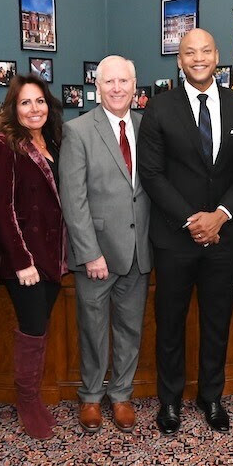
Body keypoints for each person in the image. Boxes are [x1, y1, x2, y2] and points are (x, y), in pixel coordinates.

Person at [137, 28, 233, 434]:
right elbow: (152, 174)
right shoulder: (159, 108)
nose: (198, 58)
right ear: (179, 60)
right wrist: (193, 220)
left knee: (216, 321)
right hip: (176, 237)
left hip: (224, 237)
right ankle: (169, 401)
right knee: (170, 322)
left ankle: (212, 397)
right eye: (189, 52)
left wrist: (221, 215)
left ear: (217, 56)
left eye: (205, 51)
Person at [59, 55, 152, 433]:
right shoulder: (77, 130)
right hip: (96, 253)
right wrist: (89, 251)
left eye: (123, 82)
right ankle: (92, 397)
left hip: (138, 250)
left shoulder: (150, 129)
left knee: (131, 328)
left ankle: (122, 395)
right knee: (93, 329)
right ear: (97, 87)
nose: (117, 88)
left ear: (135, 86)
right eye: (109, 82)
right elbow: (73, 198)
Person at [0, 73, 68, 440]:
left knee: (42, 324)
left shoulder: (53, 141)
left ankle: (32, 396)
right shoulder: (2, 145)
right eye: (25, 102)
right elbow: (0, 209)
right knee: (32, 328)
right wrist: (21, 262)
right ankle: (27, 400)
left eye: (39, 101)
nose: (34, 109)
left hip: (54, 256)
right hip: (25, 260)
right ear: (13, 109)